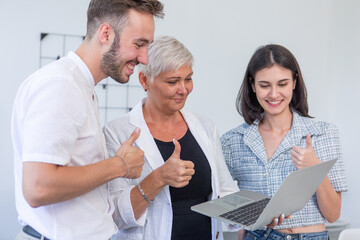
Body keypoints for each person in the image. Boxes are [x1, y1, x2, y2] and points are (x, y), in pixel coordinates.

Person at [12, 1, 164, 239]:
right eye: (138, 44)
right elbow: (38, 187)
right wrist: (120, 165)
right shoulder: (61, 85)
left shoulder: (80, 87)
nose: (144, 58)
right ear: (106, 34)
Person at [103, 36, 241, 240]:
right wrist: (159, 178)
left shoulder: (204, 127)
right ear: (144, 80)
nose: (183, 90)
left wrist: (258, 215)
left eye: (188, 79)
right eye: (172, 81)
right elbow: (114, 216)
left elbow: (225, 191)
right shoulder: (117, 132)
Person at [221, 44, 347, 240]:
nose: (273, 94)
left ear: (294, 82)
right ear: (252, 85)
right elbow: (222, 201)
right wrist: (244, 222)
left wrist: (315, 168)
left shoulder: (323, 133)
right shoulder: (233, 141)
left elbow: (333, 214)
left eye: (282, 84)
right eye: (264, 85)